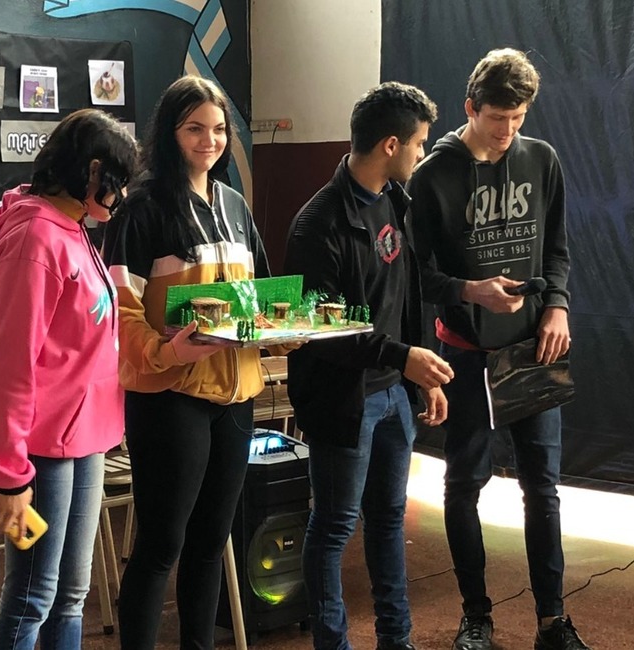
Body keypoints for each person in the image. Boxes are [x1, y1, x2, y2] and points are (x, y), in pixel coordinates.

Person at [406, 49, 590, 650]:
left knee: (543, 488)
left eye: (518, 118)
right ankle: (476, 616)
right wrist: (469, 290)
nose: (507, 130)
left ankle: (552, 622)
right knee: (464, 485)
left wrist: (557, 305)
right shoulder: (431, 176)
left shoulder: (542, 160)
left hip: (533, 350)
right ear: (470, 108)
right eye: (496, 118)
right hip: (465, 352)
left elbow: (557, 248)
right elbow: (415, 277)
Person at [102, 75, 294, 649]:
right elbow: (121, 312)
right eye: (194, 129)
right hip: (169, 397)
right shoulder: (141, 208)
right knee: (162, 544)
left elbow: (260, 299)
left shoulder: (234, 204)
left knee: (212, 542)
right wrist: (167, 352)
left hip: (236, 396)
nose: (209, 141)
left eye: (217, 129)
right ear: (170, 132)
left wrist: (285, 334)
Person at [283, 82, 455, 650]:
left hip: (394, 397)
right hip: (344, 402)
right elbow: (324, 332)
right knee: (334, 527)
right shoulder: (317, 224)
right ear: (390, 145)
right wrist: (404, 358)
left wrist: (414, 376)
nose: (422, 154)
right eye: (419, 143)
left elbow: (405, 296)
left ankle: (395, 639)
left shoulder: (397, 201)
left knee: (388, 520)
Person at [0, 108, 139, 650]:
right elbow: (8, 364)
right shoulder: (36, 239)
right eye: (116, 181)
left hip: (83, 441)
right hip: (41, 451)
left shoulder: (73, 229)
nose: (120, 196)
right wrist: (8, 474)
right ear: (92, 172)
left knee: (71, 594)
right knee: (33, 597)